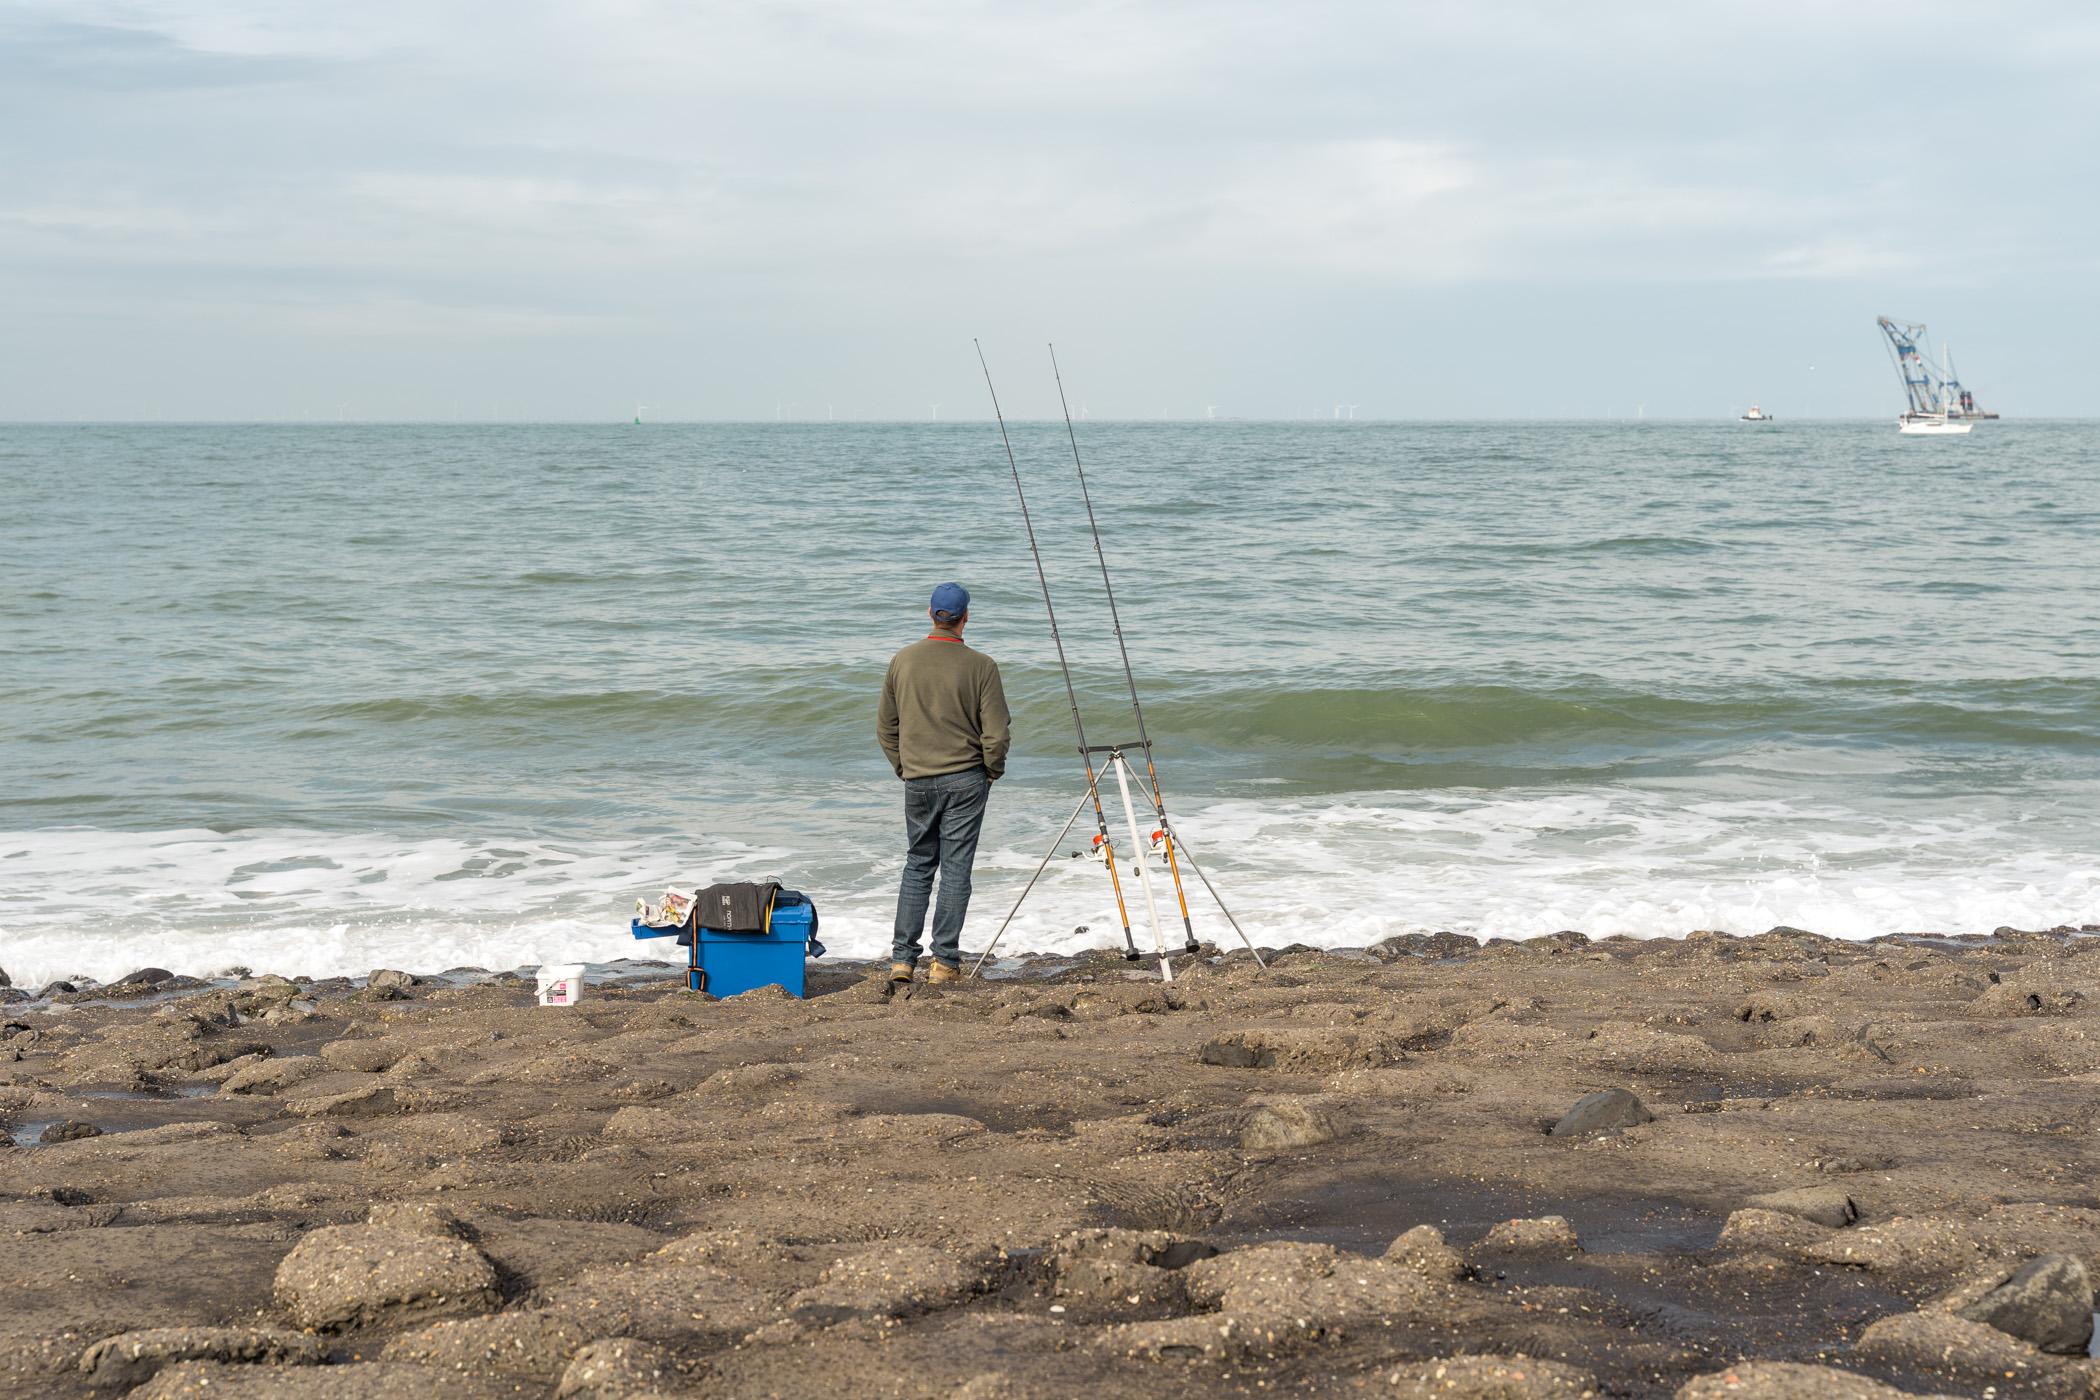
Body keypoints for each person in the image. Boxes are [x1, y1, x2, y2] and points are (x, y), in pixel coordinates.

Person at [876, 582, 1010, 985]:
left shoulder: (903, 660)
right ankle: (944, 963)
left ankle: (902, 960)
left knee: (917, 864)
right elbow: (997, 733)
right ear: (965, 617)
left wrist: (904, 766)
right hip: (967, 778)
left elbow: (886, 726)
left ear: (931, 614)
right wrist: (992, 770)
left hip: (918, 778)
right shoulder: (981, 665)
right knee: (955, 869)